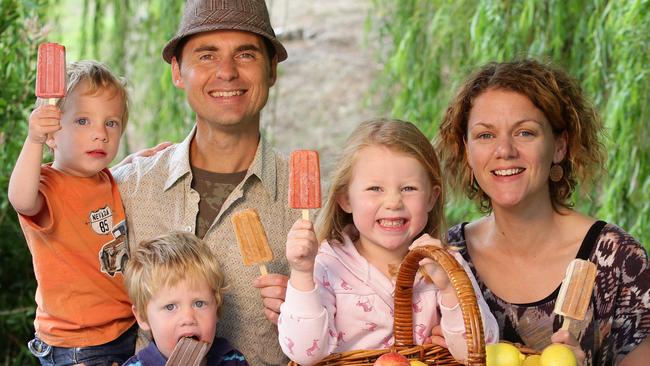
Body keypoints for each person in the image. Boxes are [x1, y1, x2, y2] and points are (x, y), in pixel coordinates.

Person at [111, 0, 298, 364]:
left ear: (272, 69)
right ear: (178, 72)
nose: (226, 72)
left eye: (245, 54)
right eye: (207, 56)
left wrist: (313, 308)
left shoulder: (315, 205)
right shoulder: (127, 190)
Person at [436, 59, 650, 365]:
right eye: (485, 135)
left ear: (560, 146)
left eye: (525, 133)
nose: (504, 150)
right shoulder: (448, 260)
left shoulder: (618, 262)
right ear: (466, 150)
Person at [278, 119, 499, 365]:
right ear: (345, 199)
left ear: (431, 198)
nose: (393, 202)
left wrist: (448, 288)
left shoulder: (445, 263)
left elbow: (484, 350)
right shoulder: (326, 265)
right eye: (375, 188)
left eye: (408, 188)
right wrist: (302, 273)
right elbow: (303, 354)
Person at [7, 60, 136, 365]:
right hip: (77, 344)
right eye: (82, 121)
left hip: (125, 329)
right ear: (53, 134)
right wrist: (34, 139)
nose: (100, 134)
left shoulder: (106, 179)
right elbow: (21, 200)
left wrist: (144, 157)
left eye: (111, 123)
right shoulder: (48, 187)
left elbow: (121, 172)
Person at [122, 231, 248, 365]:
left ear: (217, 308)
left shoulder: (233, 360)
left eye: (199, 303)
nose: (188, 318)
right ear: (142, 317)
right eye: (170, 307)